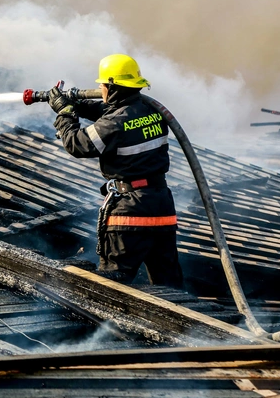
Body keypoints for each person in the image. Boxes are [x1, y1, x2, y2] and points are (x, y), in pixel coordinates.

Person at [47, 54, 184, 288]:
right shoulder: (153, 112)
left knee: (114, 286)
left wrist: (65, 114)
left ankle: (109, 326)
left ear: (111, 86)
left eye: (102, 85)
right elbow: (113, 113)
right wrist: (77, 105)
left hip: (130, 210)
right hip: (161, 207)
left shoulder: (114, 123)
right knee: (168, 284)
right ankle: (185, 323)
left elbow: (77, 144)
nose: (100, 89)